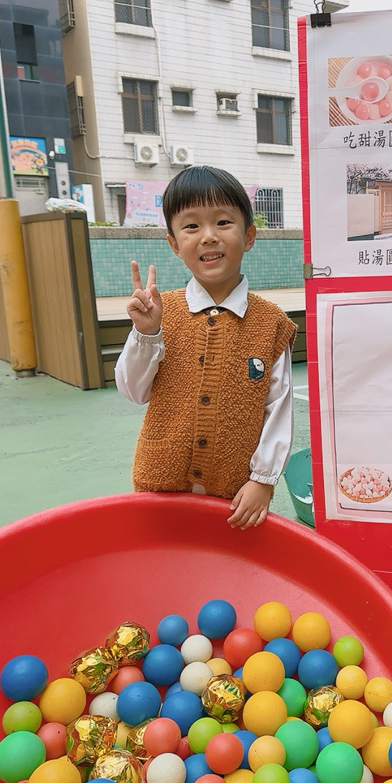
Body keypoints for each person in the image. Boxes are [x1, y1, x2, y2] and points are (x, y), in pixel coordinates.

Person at [115, 165, 297, 530]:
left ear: (248, 236)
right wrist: (147, 333)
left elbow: (279, 406)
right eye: (192, 226)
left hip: (235, 497)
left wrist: (263, 480)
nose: (209, 236)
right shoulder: (161, 312)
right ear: (174, 244)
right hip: (161, 490)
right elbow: (134, 391)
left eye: (223, 222)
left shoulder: (271, 323)